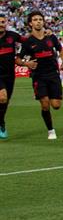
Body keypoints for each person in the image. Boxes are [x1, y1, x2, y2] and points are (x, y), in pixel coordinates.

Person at [19, 11, 63, 140]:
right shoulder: (28, 41)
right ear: (30, 23)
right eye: (35, 20)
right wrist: (26, 63)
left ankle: (46, 94)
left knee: (56, 105)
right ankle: (51, 130)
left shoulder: (51, 36)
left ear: (43, 22)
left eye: (40, 19)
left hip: (53, 74)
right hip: (38, 76)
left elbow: (61, 50)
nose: (38, 22)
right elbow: (18, 59)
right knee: (45, 104)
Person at [0, 12, 26, 140]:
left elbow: (28, 41)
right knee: (3, 97)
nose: (1, 24)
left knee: (5, 101)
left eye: (3, 22)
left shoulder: (12, 36)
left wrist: (44, 34)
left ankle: (1, 122)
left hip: (10, 75)